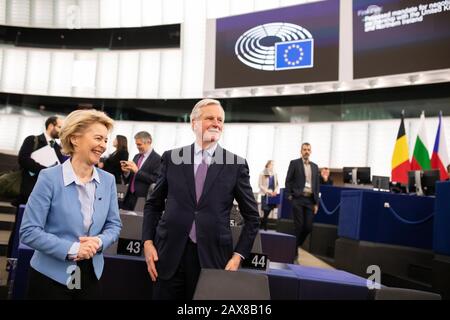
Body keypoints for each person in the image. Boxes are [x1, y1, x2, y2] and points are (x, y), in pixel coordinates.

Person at [142, 98, 260, 300]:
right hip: (168, 255)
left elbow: (252, 218)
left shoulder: (236, 165)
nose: (216, 123)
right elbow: (153, 204)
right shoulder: (171, 158)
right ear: (194, 122)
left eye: (220, 119)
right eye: (210, 118)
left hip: (213, 259)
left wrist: (238, 256)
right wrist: (147, 242)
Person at [20, 109, 122, 300]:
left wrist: (98, 242)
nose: (103, 146)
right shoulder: (49, 178)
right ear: (75, 139)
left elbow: (114, 225)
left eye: (106, 140)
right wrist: (73, 249)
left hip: (90, 276)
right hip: (49, 278)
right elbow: (29, 231)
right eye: (98, 138)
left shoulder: (108, 181)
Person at [16, 116, 66, 205]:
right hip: (29, 189)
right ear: (51, 126)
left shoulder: (58, 148)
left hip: (47, 191)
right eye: (59, 127)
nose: (61, 131)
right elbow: (23, 159)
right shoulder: (32, 140)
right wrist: (45, 171)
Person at [285, 142, 320, 254]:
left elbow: (317, 185)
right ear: (301, 151)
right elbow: (288, 179)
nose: (306, 151)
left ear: (311, 151)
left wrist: (316, 203)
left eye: (308, 149)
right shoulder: (294, 163)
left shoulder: (315, 166)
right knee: (298, 226)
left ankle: (295, 245)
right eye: (304, 149)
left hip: (310, 200)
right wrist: (289, 194)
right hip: (298, 198)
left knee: (308, 227)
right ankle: (294, 251)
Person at [120, 131, 161, 211]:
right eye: (136, 144)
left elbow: (156, 179)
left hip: (143, 199)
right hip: (129, 197)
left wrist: (137, 171)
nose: (137, 147)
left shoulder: (157, 159)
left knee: (137, 223)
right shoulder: (136, 156)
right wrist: (126, 172)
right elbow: (131, 177)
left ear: (149, 142)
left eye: (139, 144)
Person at [258, 160, 279, 230]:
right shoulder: (263, 173)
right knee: (265, 210)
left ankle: (262, 224)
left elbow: (277, 185)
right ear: (268, 165)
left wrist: (275, 191)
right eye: (271, 164)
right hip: (265, 194)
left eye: (273, 165)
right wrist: (267, 191)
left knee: (269, 210)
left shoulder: (275, 174)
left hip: (272, 195)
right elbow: (260, 185)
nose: (273, 166)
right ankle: (265, 226)